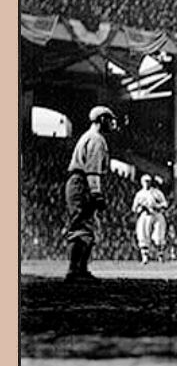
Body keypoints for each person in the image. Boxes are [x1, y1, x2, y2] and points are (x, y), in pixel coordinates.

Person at [63, 105, 117, 281]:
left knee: (83, 226)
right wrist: (96, 193)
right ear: (102, 119)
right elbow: (92, 170)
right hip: (82, 183)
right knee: (82, 226)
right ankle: (75, 271)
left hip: (77, 182)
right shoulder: (97, 139)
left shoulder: (87, 137)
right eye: (109, 120)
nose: (111, 124)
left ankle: (79, 269)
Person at [132, 173, 169, 263]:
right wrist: (140, 208)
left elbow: (165, 204)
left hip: (157, 214)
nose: (147, 183)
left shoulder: (157, 192)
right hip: (145, 215)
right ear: (142, 182)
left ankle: (160, 255)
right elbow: (134, 208)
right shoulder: (139, 194)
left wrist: (157, 206)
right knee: (143, 234)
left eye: (148, 181)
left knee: (159, 236)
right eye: (145, 181)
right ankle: (145, 257)